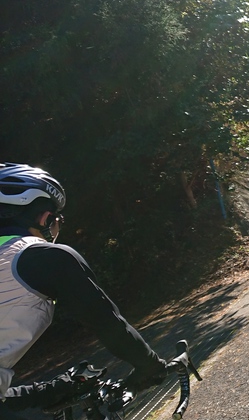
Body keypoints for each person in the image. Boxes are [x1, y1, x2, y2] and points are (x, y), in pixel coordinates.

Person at [0, 163, 172, 414]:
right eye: (57, 220)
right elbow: (107, 323)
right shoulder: (43, 257)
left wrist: (48, 390)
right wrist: (150, 366)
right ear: (45, 218)